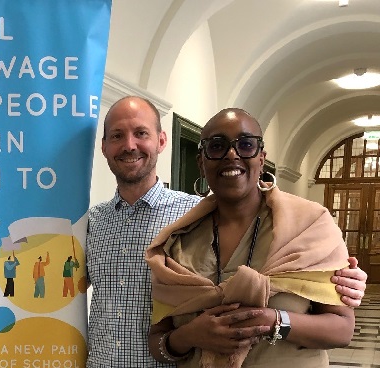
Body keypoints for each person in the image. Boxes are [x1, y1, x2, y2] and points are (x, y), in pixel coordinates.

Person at [85, 96, 367, 368]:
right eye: (218, 146)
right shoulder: (174, 234)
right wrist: (192, 334)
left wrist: (274, 320)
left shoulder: (305, 226)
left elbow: (340, 323)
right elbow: (159, 335)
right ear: (202, 162)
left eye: (245, 145)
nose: (232, 155)